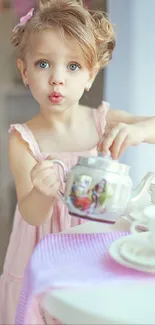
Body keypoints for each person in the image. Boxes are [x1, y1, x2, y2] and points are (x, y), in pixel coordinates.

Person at [1, 0, 155, 323]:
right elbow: (31, 214)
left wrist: (139, 131)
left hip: (91, 246)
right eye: (44, 64)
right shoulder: (22, 139)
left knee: (85, 311)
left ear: (90, 76)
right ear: (24, 71)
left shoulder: (101, 121)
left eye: (72, 67)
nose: (57, 78)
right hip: (42, 253)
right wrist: (42, 192)